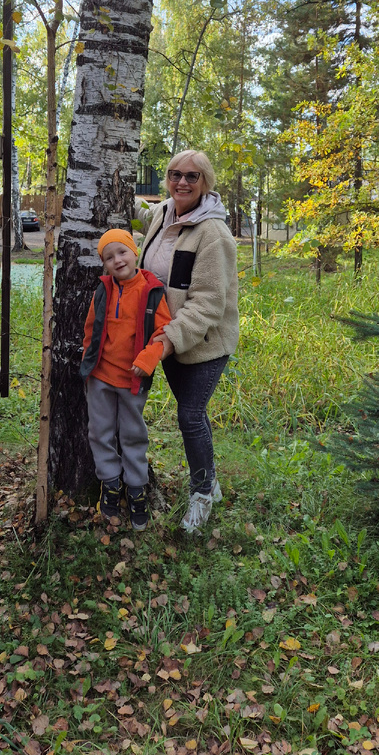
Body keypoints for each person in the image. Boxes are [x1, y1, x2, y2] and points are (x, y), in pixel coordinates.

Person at [138, 150, 239, 532]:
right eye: (175, 174)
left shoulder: (213, 233)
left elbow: (209, 303)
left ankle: (200, 495)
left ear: (206, 182)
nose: (182, 182)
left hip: (204, 341)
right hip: (169, 335)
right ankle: (210, 481)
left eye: (192, 177)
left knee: (190, 415)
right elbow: (153, 240)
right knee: (191, 413)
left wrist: (167, 340)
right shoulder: (165, 213)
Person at [81, 229, 172, 531]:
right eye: (109, 257)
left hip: (133, 381)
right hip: (101, 377)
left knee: (133, 435)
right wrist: (87, 360)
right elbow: (91, 329)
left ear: (135, 252)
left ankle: (136, 489)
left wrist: (149, 357)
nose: (117, 260)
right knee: (100, 431)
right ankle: (109, 484)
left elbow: (164, 331)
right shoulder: (104, 290)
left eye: (122, 252)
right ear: (104, 264)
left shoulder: (151, 291)